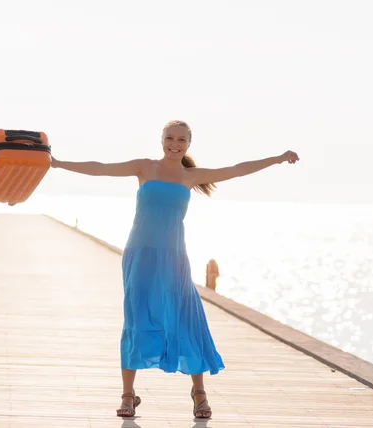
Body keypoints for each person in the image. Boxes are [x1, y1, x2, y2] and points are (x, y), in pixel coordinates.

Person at [50, 120, 299, 419]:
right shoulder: (145, 168)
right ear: (161, 140)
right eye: (170, 138)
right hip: (139, 254)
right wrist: (58, 163)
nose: (174, 144)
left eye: (181, 139)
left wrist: (277, 158)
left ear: (188, 144)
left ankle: (199, 392)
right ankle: (128, 395)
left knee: (186, 317)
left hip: (174, 257)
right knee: (136, 318)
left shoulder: (191, 176)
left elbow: (238, 168)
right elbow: (101, 167)